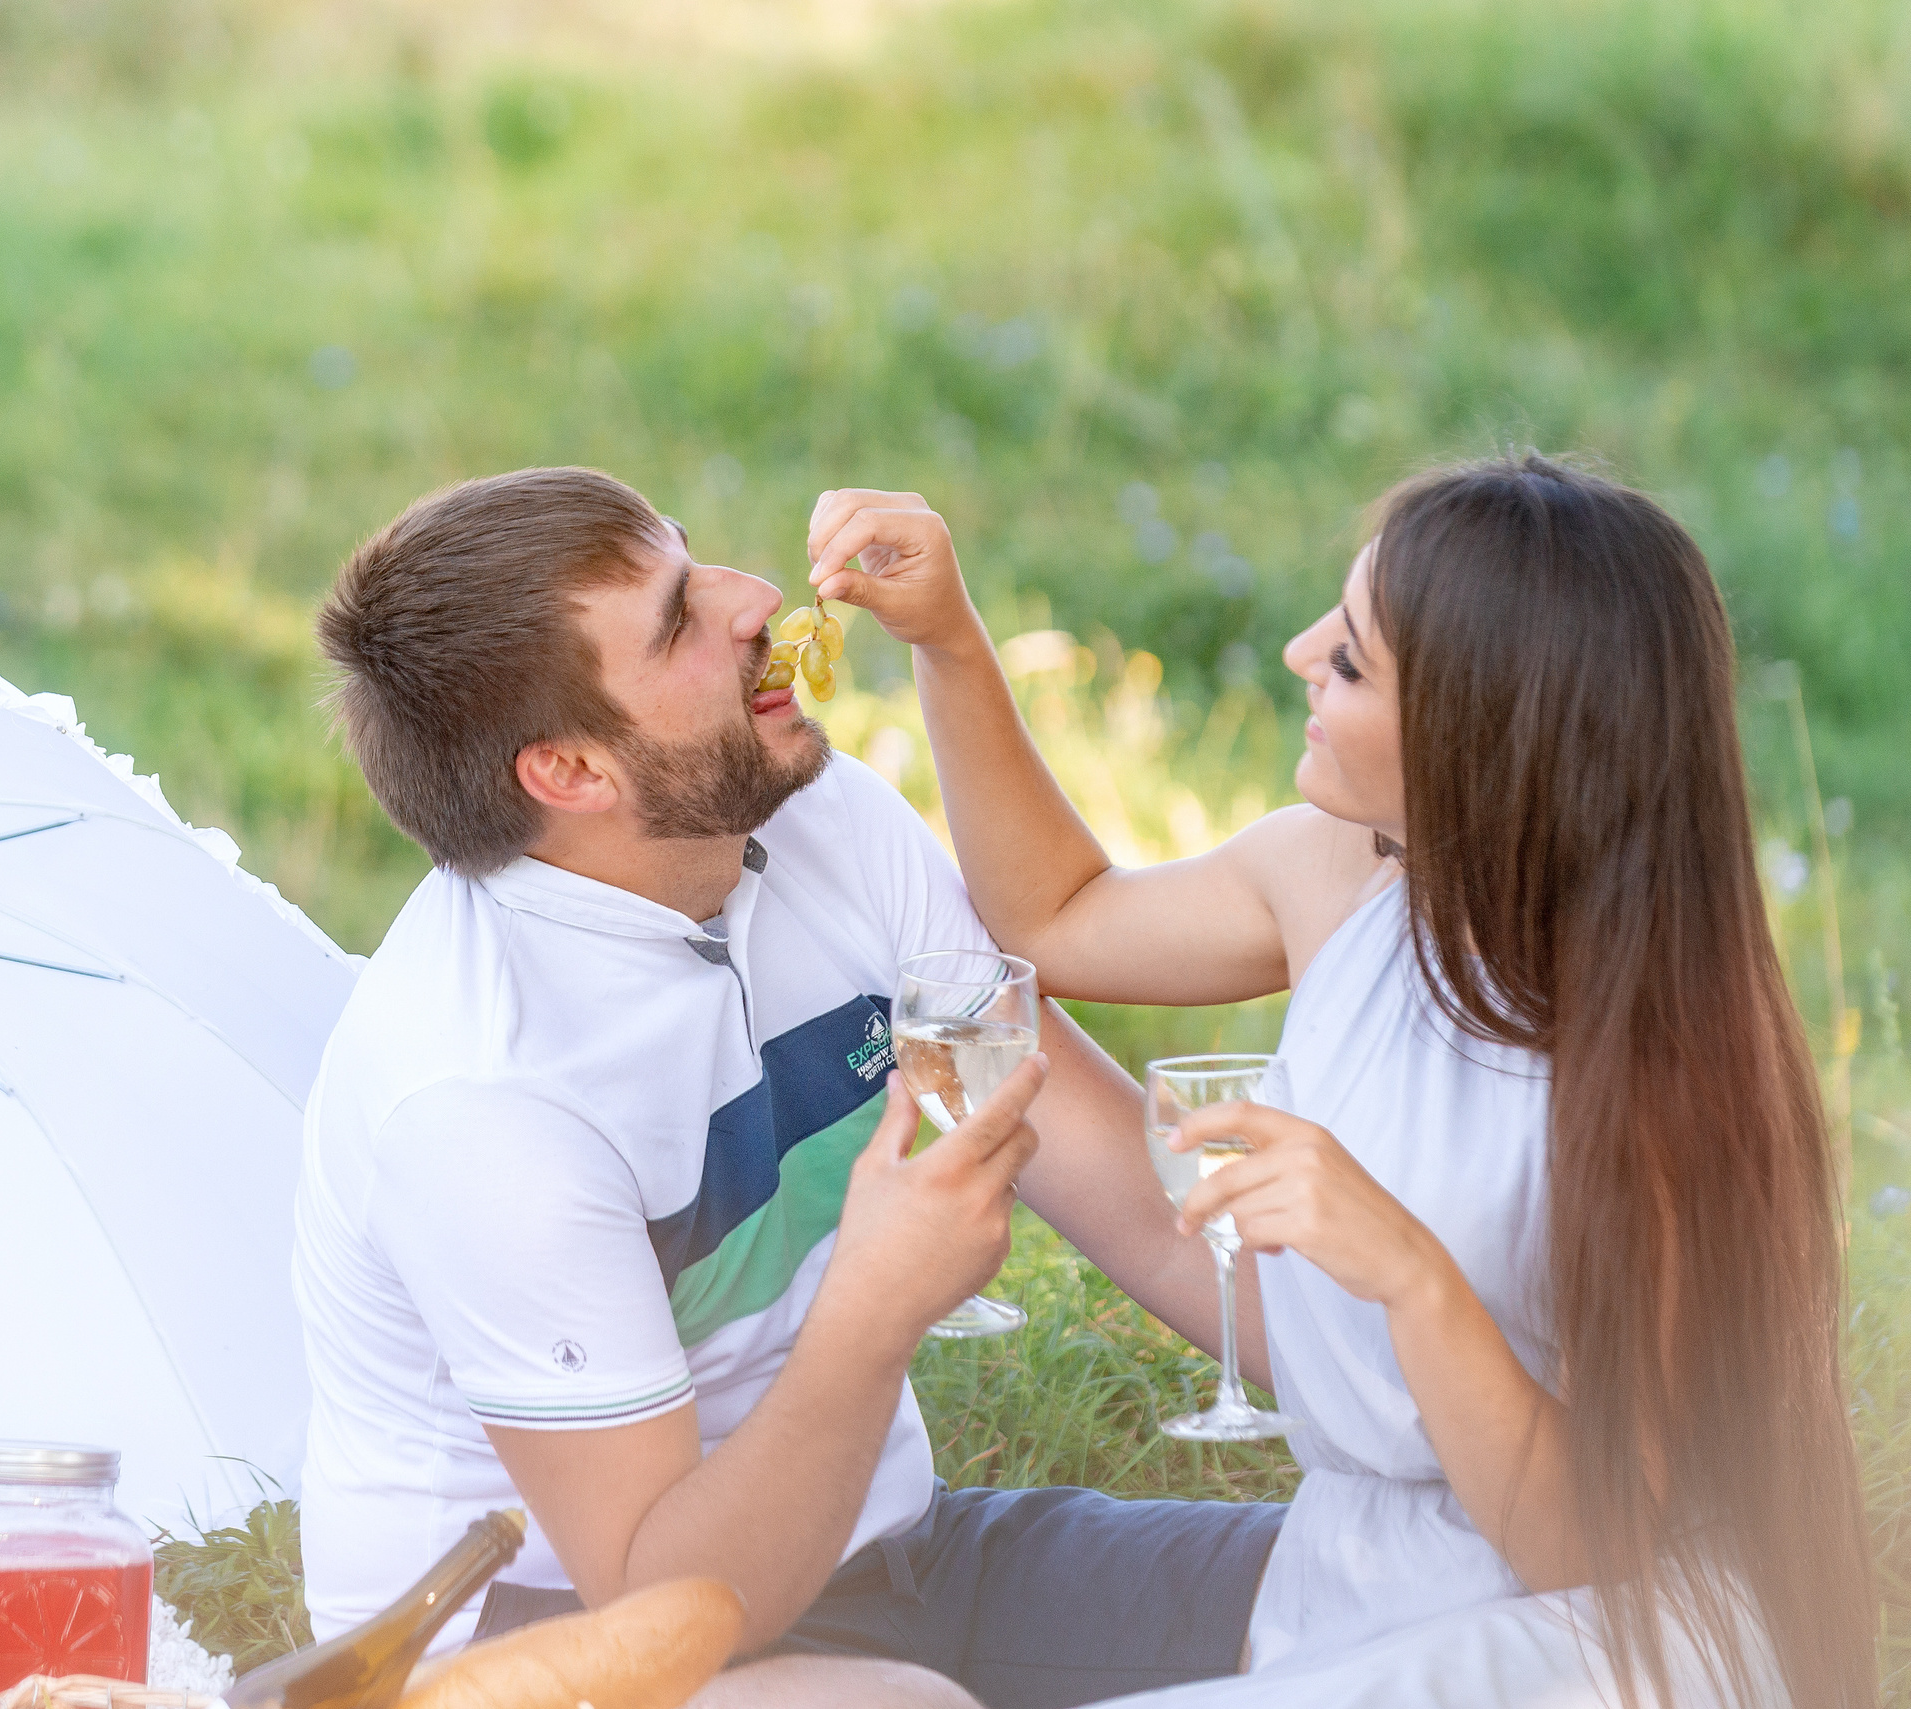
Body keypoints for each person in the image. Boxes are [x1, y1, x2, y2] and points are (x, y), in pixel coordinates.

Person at [804, 457, 1874, 1707]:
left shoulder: (1658, 1066)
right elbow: (1057, 913)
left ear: (1491, 730)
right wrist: (947, 641)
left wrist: (1406, 1269)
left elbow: (1579, 1549)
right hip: (1344, 1586)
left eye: (1354, 659)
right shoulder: (1347, 874)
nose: (1301, 651)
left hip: (1589, 1641)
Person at [293, 467, 1285, 1709]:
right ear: (571, 772)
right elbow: (666, 1606)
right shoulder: (483, 1097)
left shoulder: (826, 821)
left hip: (893, 1556)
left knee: (1410, 1583)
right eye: (677, 620)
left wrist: (1476, 1416)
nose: (755, 597)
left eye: (697, 560)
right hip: (565, 1651)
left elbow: (1140, 1201)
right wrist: (875, 1306)